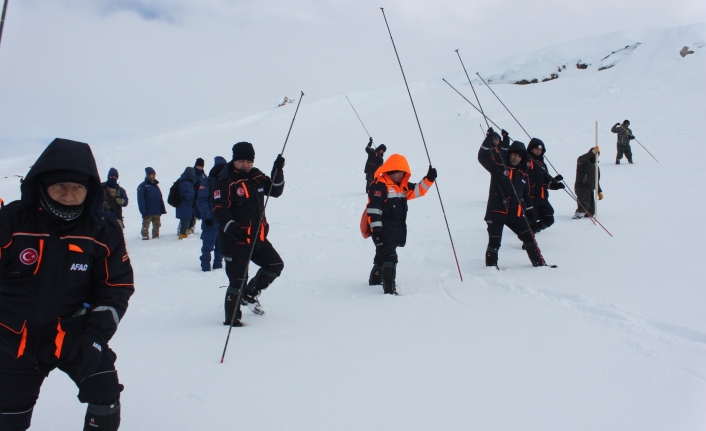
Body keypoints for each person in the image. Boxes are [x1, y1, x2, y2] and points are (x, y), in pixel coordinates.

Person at [0, 138, 134, 431]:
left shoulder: (102, 230)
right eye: (60, 186)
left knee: (105, 392)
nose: (69, 195)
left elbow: (115, 288)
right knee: (9, 418)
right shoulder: (11, 221)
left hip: (73, 335)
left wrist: (96, 336)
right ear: (42, 185)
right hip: (12, 338)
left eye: (78, 187)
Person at [214, 142, 286, 326]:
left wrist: (278, 171)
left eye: (249, 161)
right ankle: (232, 321)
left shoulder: (256, 176)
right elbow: (220, 211)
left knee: (275, 265)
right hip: (235, 241)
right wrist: (233, 229)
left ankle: (250, 293)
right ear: (234, 159)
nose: (246, 165)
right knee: (237, 280)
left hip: (257, 238)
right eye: (241, 161)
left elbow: (275, 191)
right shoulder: (225, 180)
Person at [365, 154, 436, 295]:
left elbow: (417, 190)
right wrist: (377, 232)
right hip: (382, 231)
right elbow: (374, 210)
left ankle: (374, 281)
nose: (400, 176)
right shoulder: (379, 186)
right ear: (391, 171)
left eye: (403, 173)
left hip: (395, 230)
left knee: (381, 256)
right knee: (391, 257)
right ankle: (389, 289)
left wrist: (429, 179)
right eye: (398, 173)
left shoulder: (401, 186)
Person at [478, 128, 544, 267]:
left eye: (519, 156)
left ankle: (539, 265)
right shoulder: (498, 167)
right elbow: (482, 157)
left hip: (516, 213)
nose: (516, 158)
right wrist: (489, 140)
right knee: (495, 242)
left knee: (529, 239)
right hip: (496, 213)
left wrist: (531, 215)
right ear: (509, 154)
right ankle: (491, 268)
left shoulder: (523, 175)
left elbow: (526, 197)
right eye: (513, 154)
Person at [526, 138, 565, 233]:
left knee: (549, 218)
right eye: (537, 149)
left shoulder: (542, 164)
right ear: (531, 149)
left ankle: (534, 230)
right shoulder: (525, 161)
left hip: (542, 198)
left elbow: (547, 181)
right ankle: (528, 241)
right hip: (529, 197)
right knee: (531, 219)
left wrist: (555, 184)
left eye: (541, 150)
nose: (539, 151)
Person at [196, 156, 227, 271]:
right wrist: (206, 216)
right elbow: (201, 200)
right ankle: (205, 267)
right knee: (208, 245)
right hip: (211, 219)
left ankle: (218, 266)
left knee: (221, 244)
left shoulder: (226, 182)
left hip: (223, 220)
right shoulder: (207, 181)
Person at [137, 167, 167, 240]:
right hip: (147, 211)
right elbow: (140, 199)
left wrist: (162, 209)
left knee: (157, 225)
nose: (153, 176)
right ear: (147, 175)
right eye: (151, 174)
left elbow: (160, 198)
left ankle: (156, 237)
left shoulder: (155, 185)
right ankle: (145, 237)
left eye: (154, 174)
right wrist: (143, 210)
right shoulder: (142, 186)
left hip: (156, 210)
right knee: (146, 225)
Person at [573, 147, 602, 219]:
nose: (596, 155)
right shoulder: (584, 162)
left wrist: (599, 191)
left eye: (598, 154)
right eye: (595, 153)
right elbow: (580, 159)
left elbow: (596, 180)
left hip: (590, 188)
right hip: (582, 187)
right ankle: (576, 219)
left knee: (591, 210)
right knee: (584, 206)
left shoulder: (595, 166)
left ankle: (586, 221)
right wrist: (592, 152)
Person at [176, 167, 196, 240]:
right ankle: (182, 237)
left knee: (188, 222)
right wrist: (194, 196)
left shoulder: (185, 181)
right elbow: (188, 196)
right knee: (184, 223)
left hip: (185, 206)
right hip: (185, 206)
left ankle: (185, 236)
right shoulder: (185, 183)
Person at [190, 158, 208, 235]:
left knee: (197, 213)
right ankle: (184, 228)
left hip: (200, 197)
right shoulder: (192, 173)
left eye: (200, 166)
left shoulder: (204, 175)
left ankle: (192, 228)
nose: (199, 167)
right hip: (192, 196)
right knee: (189, 214)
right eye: (197, 165)